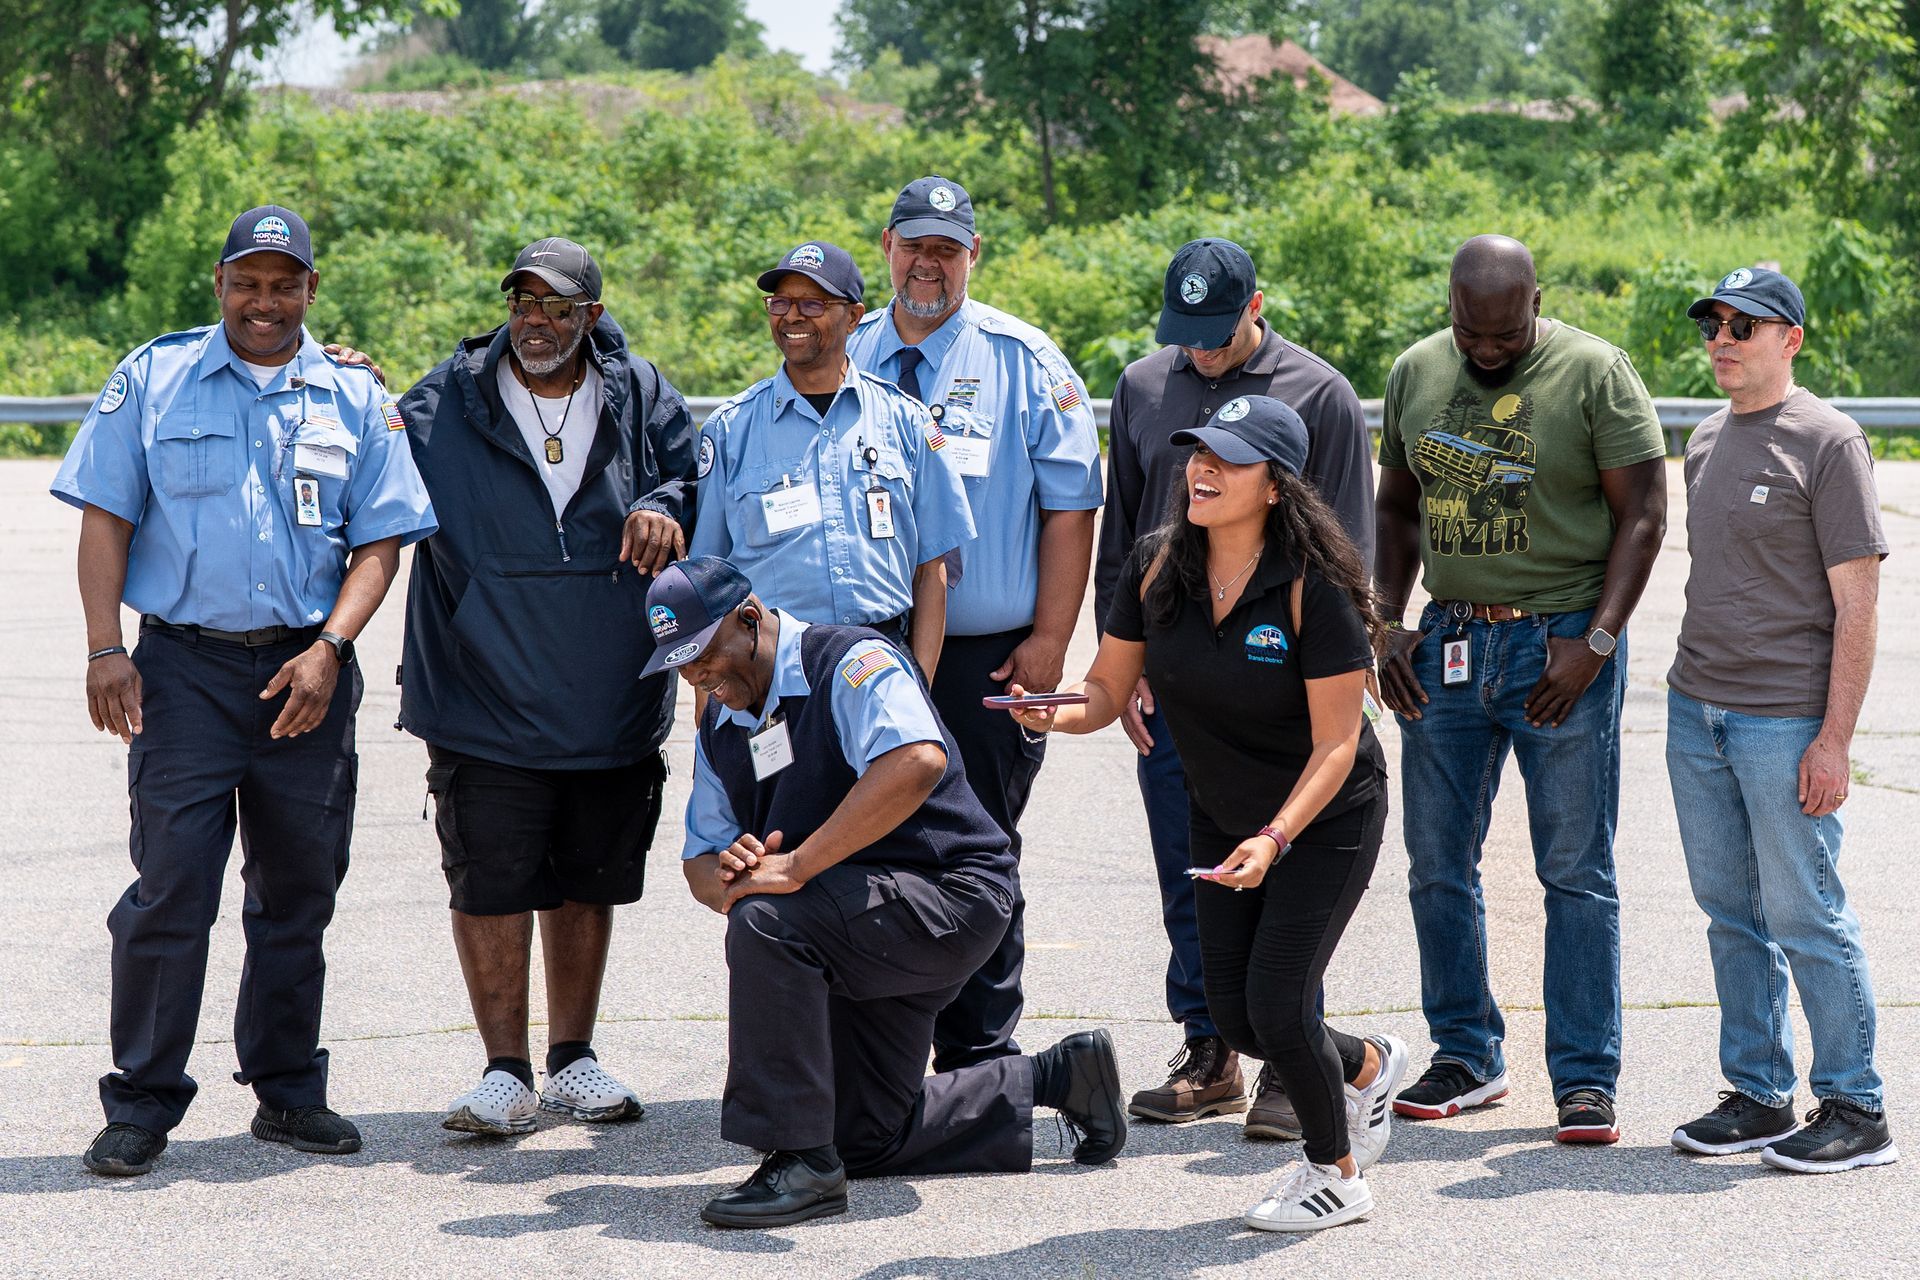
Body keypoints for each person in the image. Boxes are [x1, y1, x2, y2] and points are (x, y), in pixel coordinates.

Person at [50, 205, 436, 1176]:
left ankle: (288, 1090)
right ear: (220, 282)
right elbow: (105, 518)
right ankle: (142, 1101)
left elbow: (381, 540)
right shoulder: (155, 378)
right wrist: (105, 647)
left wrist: (332, 648)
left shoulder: (353, 394)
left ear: (311, 288)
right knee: (171, 888)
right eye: (248, 282)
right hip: (183, 672)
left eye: (284, 284)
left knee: (298, 889)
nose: (265, 301)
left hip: (306, 675)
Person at [1013, 396, 1404, 1232]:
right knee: (1234, 1015)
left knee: (1280, 1004)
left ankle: (1335, 1174)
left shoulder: (1313, 586)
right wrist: (1055, 713)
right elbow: (1106, 689)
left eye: (1228, 458)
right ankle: (1369, 1064)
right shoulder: (1156, 565)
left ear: (1276, 484)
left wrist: (1275, 837)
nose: (1202, 468)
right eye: (1198, 453)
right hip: (1221, 814)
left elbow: (1337, 745)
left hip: (1322, 819)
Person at [647, 557, 1125, 1228]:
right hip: (857, 919)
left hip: (950, 897)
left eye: (703, 653)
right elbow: (699, 859)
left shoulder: (849, 661)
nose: (696, 675)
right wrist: (731, 873)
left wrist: (793, 868)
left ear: (748, 620)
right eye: (680, 664)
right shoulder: (720, 729)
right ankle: (1059, 1076)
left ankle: (799, 1162)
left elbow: (917, 760)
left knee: (765, 922)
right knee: (863, 1137)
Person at [391, 237, 696, 1136]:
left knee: (584, 881)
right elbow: (365, 458)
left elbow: (695, 479)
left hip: (608, 693)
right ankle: (503, 1071)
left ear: (590, 317)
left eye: (558, 308)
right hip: (480, 692)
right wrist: (333, 375)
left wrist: (664, 506)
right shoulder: (443, 400)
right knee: (489, 883)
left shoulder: (642, 394)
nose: (537, 323)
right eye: (524, 304)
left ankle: (572, 1059)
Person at [1373, 234, 1667, 1144]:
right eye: (1472, 332)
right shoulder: (1416, 371)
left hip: (1561, 647)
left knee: (1575, 870)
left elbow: (1645, 514)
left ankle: (1584, 1078)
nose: (1488, 349)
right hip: (1451, 641)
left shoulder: (1595, 372)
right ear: (1451, 307)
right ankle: (1467, 1053)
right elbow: (1395, 507)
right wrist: (1386, 620)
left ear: (1537, 301)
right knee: (1436, 864)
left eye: (1506, 334)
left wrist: (1598, 643)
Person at [1095, 238, 1375, 1138]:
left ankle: (1295, 1064)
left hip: (1279, 692)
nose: (1201, 349)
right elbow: (1121, 535)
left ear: (1257, 306)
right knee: (1196, 877)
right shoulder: (1142, 387)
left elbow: (1344, 556)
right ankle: (1211, 1052)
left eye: (1217, 330)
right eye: (1186, 331)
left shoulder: (1320, 394)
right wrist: (1122, 671)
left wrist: (1322, 676)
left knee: (1287, 885)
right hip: (1177, 681)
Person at [846, 175, 1104, 1072]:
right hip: (869, 650)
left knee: (979, 849)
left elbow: (1072, 505)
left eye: (947, 250)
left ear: (973, 256)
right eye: (915, 245)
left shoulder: (1023, 359)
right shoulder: (847, 349)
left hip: (988, 656)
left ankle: (980, 1056)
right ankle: (882, 1052)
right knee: (868, 845)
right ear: (887, 247)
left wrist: (1050, 640)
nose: (930, 264)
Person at [1665, 268, 1897, 1173]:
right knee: (1730, 912)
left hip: (1784, 721)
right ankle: (1760, 1094)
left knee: (1807, 914)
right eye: (1713, 325)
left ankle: (1856, 1106)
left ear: (1790, 339)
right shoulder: (1705, 437)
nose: (1722, 340)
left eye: (1744, 326)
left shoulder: (1830, 442)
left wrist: (1833, 740)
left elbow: (1858, 607)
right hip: (1697, 711)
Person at [688, 240, 974, 676]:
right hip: (773, 666)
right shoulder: (731, 429)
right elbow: (709, 581)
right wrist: (711, 709)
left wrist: (919, 683)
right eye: (780, 303)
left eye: (812, 303)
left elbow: (931, 568)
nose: (792, 316)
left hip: (882, 659)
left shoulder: (906, 420)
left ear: (854, 317)